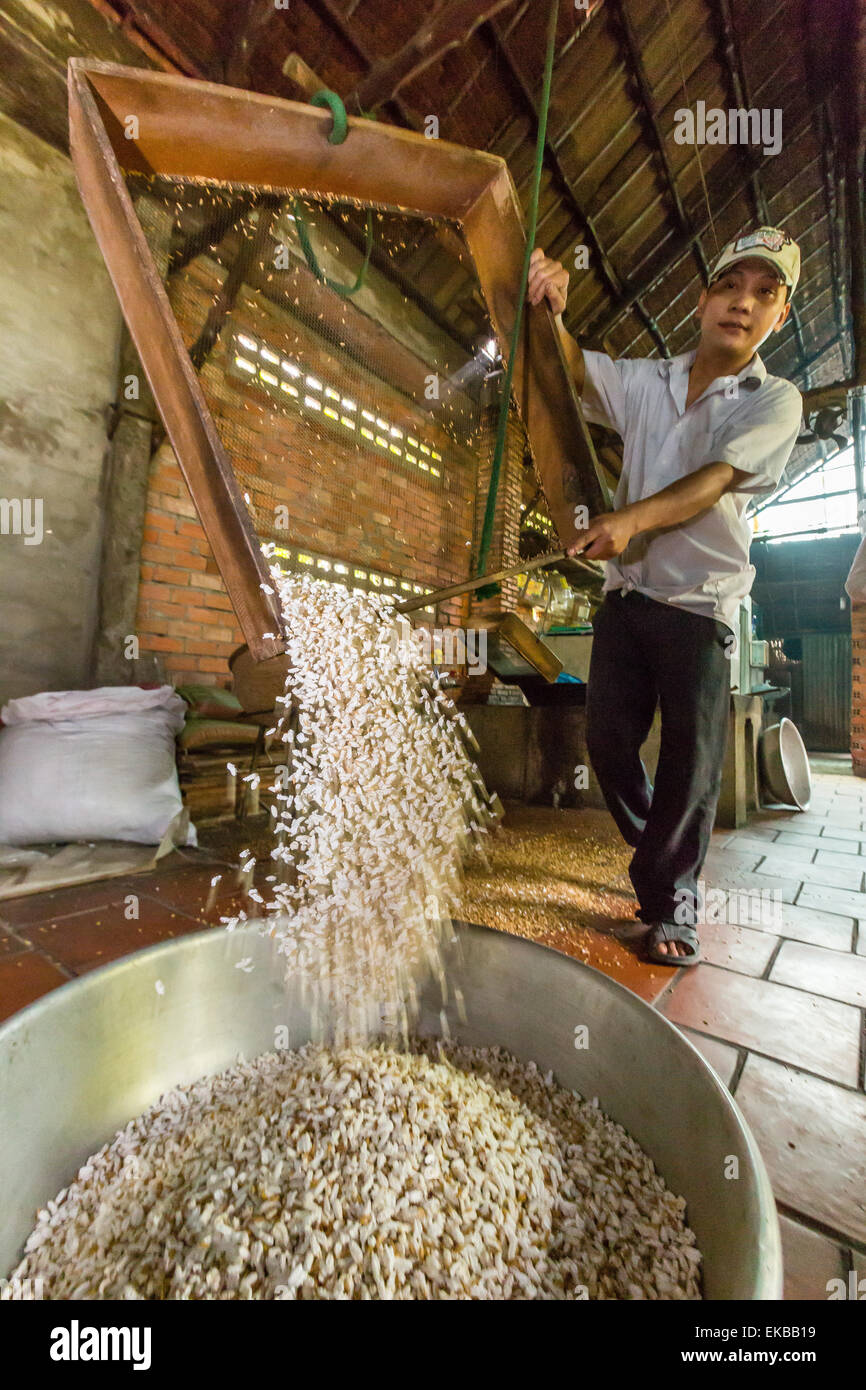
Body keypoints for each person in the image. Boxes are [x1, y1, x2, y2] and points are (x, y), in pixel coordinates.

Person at [526, 227, 804, 965]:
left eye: (764, 294)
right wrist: (550, 309)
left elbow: (714, 479)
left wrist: (631, 519)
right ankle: (658, 852)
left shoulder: (772, 399)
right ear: (703, 297)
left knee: (690, 760)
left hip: (701, 605)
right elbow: (572, 375)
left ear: (780, 316)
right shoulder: (647, 381)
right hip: (628, 600)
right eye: (729, 286)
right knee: (608, 741)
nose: (742, 304)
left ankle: (672, 901)